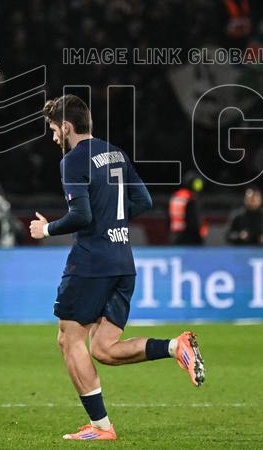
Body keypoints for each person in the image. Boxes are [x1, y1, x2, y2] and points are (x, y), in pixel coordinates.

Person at [29, 94, 205, 441]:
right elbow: (145, 200)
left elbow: (81, 215)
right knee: (104, 349)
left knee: (68, 339)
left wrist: (46, 229)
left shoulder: (72, 160)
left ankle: (100, 427)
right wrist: (114, 221)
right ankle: (175, 346)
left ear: (66, 127)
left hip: (91, 262)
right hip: (123, 261)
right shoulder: (116, 152)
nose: (53, 138)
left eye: (53, 130)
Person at [169, 170, 209, 245]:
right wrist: (200, 236)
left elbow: (168, 218)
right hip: (190, 239)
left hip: (174, 237)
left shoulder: (175, 196)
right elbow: (194, 221)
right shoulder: (191, 198)